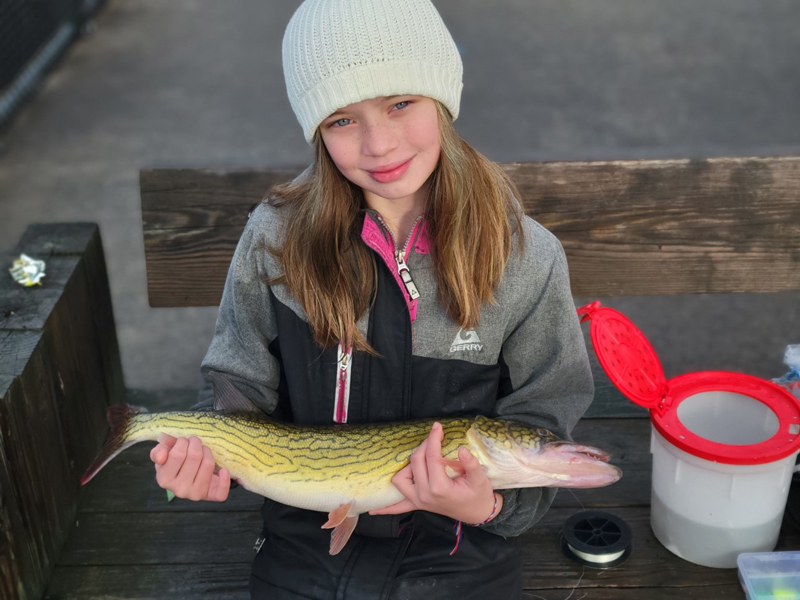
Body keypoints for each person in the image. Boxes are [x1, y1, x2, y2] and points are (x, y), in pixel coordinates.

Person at [149, 0, 594, 597]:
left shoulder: (526, 257)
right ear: (317, 130)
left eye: (400, 103)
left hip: (462, 550)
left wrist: (490, 508)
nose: (379, 144)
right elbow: (237, 386)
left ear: (442, 96)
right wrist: (203, 457)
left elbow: (543, 416)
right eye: (341, 119)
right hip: (302, 545)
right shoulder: (274, 238)